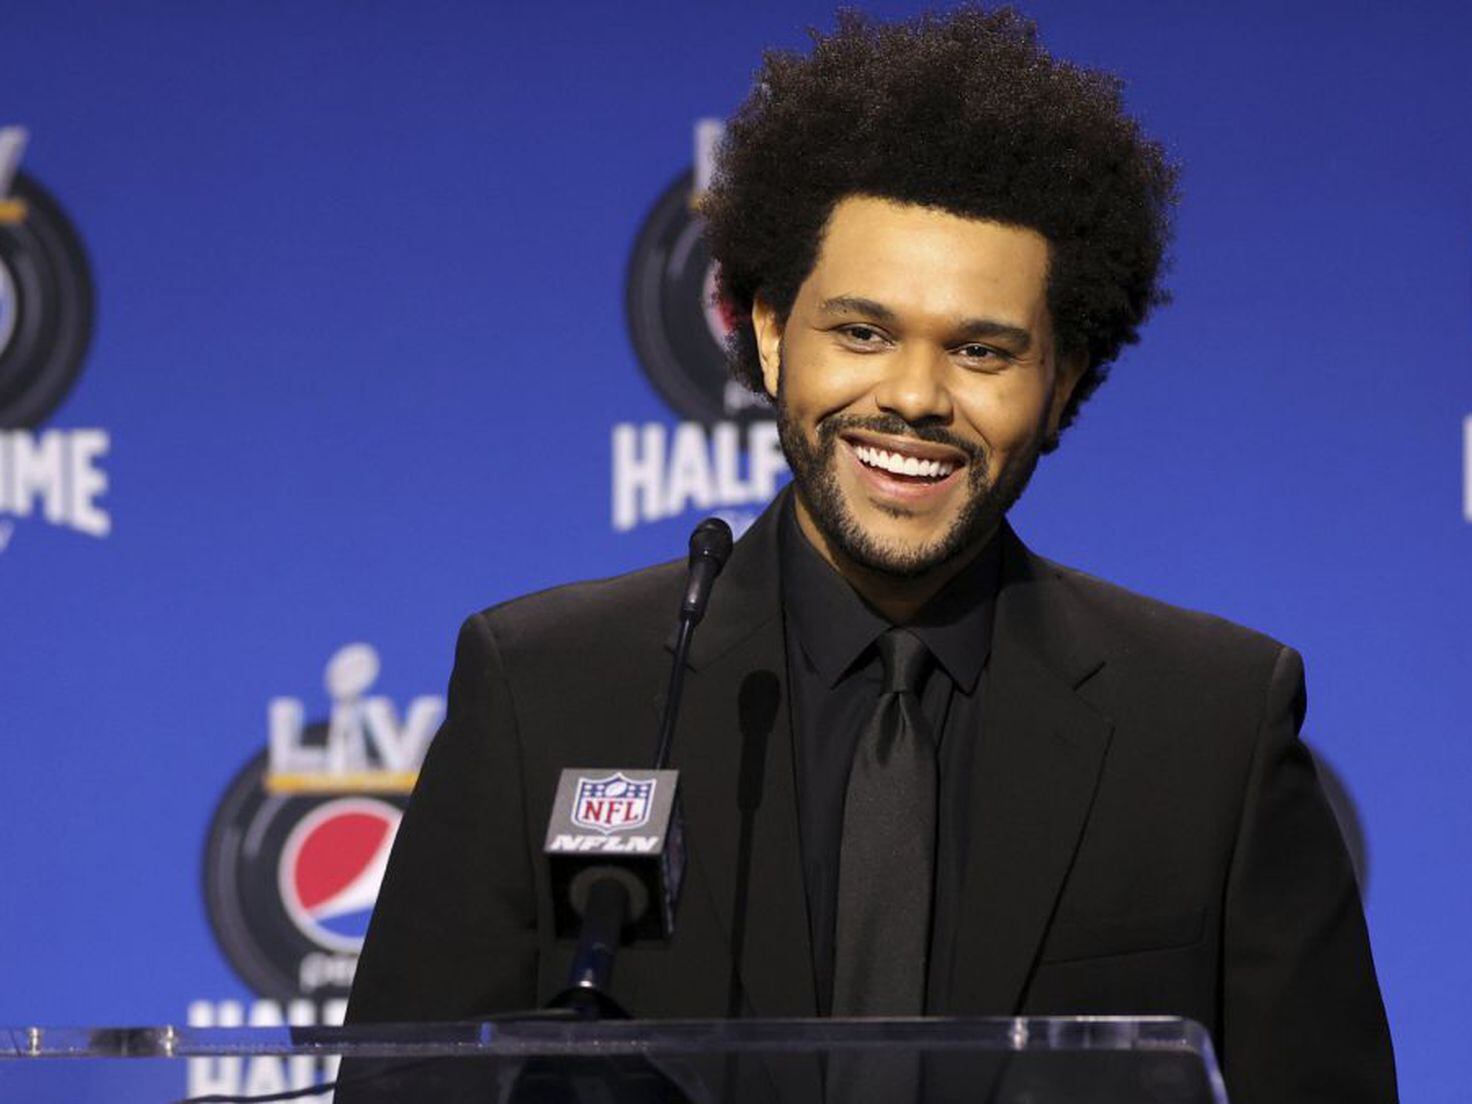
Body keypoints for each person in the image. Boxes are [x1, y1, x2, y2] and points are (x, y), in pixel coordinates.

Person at [346, 8, 1396, 1102]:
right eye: (861, 332)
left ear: (1064, 382)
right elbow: (399, 1088)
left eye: (980, 350)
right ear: (764, 330)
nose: (910, 395)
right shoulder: (549, 688)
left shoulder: (1210, 725)